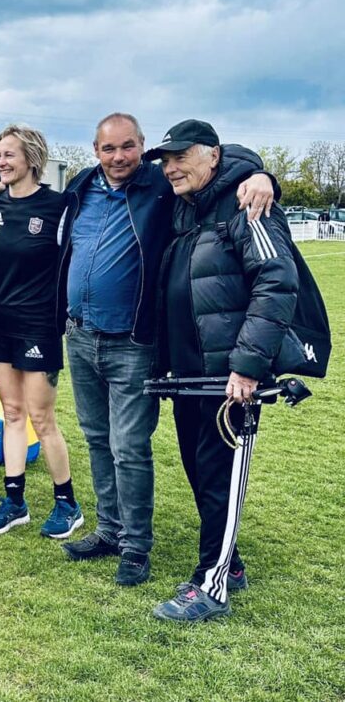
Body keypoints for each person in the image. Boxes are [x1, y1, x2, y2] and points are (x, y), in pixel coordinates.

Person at [56, 113, 276, 586]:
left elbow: (221, 161)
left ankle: (136, 547)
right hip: (81, 336)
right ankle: (110, 531)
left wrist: (261, 173)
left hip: (134, 342)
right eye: (108, 148)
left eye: (128, 147)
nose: (119, 157)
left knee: (128, 447)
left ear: (141, 147)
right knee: (97, 440)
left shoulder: (160, 183)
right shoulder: (80, 186)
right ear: (94, 150)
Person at [145, 119, 304, 622]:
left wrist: (249, 366)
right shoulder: (183, 208)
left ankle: (212, 585)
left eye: (180, 156)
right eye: (165, 159)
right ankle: (228, 564)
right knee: (199, 471)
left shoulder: (248, 204)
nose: (170, 167)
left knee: (221, 475)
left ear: (212, 156)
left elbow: (276, 282)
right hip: (190, 376)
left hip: (231, 378)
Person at [0, 124, 83, 539]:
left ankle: (67, 503)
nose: (2, 162)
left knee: (42, 417)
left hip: (39, 325)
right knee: (11, 414)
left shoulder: (60, 206)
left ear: (31, 159)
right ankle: (15, 501)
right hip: (0, 325)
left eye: (9, 155)